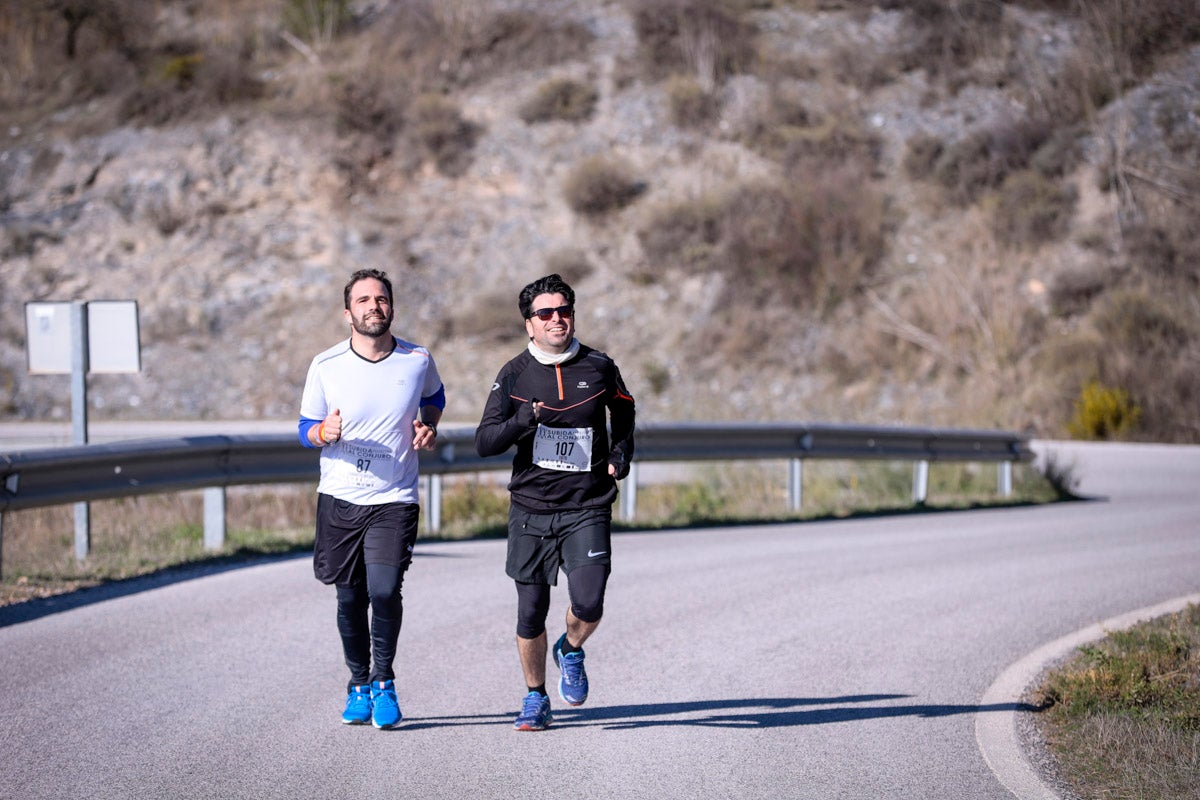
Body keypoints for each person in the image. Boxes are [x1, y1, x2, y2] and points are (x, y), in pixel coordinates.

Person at [475, 273, 635, 731]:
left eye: (563, 311)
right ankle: (534, 697)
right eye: (545, 313)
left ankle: (571, 648)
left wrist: (621, 454)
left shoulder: (599, 367)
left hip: (587, 504)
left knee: (589, 602)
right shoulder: (513, 374)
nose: (556, 319)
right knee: (530, 612)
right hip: (530, 509)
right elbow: (485, 441)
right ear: (529, 324)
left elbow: (624, 410)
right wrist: (522, 420)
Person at [298, 268, 445, 730]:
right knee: (349, 596)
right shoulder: (325, 364)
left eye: (380, 299)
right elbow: (305, 428)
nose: (373, 307)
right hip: (341, 496)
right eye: (363, 301)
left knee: (383, 590)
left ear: (392, 308)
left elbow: (435, 397)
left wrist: (428, 426)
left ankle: (385, 681)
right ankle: (358, 683)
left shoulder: (417, 359)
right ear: (348, 313)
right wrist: (324, 432)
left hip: (394, 496)